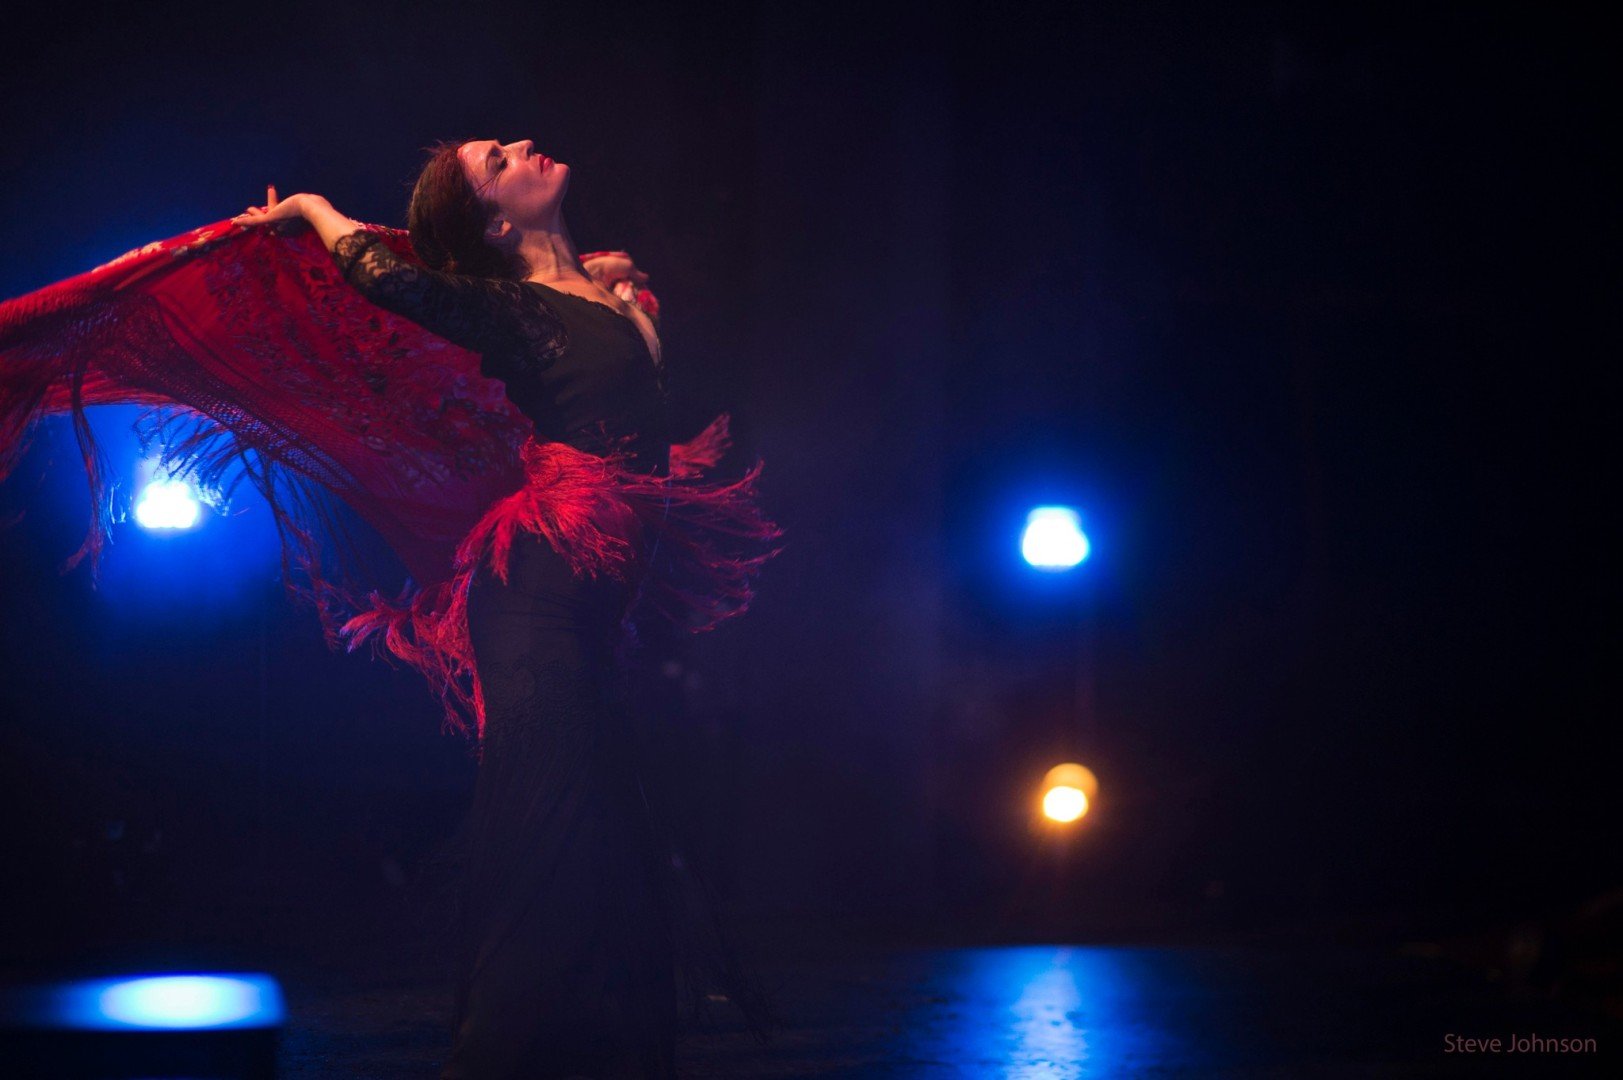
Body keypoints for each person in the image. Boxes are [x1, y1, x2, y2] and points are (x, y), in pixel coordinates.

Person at [209, 139, 765, 1076]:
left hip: (586, 602)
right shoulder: (510, 309)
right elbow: (384, 277)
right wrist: (310, 205)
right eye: (497, 159)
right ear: (498, 221)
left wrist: (615, 292)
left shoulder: (597, 291)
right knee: (553, 829)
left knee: (601, 834)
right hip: (536, 598)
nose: (521, 146)